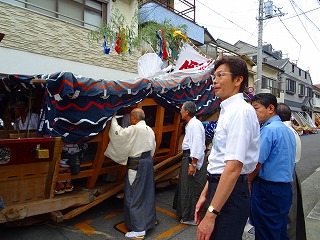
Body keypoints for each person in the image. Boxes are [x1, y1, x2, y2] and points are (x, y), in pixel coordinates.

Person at [194, 56, 260, 240]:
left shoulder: (240, 111)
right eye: (214, 76)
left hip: (230, 193)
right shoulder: (228, 110)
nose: (215, 81)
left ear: (238, 80)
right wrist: (206, 192)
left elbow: (233, 168)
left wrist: (211, 215)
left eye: (221, 75)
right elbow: (219, 158)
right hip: (220, 187)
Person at [104, 108, 156, 240]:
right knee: (146, 194)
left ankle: (138, 229)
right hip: (148, 163)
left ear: (134, 118)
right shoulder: (150, 130)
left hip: (137, 165)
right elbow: (153, 148)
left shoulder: (135, 129)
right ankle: (147, 222)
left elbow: (119, 134)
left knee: (134, 195)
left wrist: (114, 119)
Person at [250, 93, 296, 240]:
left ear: (270, 108)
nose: (254, 113)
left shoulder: (269, 130)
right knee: (279, 230)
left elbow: (257, 164)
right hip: (284, 189)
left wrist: (248, 181)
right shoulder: (287, 130)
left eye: (256, 108)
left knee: (265, 231)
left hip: (267, 190)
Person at [173, 101, 206, 226]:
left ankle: (192, 217)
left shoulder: (195, 125)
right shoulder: (191, 124)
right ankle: (186, 214)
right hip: (188, 158)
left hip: (192, 160)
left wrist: (193, 164)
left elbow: (197, 145)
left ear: (187, 112)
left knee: (192, 188)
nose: (180, 111)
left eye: (182, 109)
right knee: (186, 187)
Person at [277, 103, 307, 240]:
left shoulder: (281, 130)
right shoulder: (291, 130)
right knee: (292, 215)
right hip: (291, 173)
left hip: (284, 175)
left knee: (286, 217)